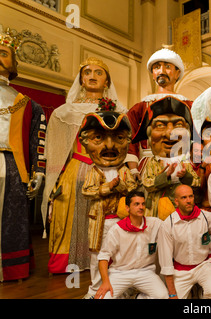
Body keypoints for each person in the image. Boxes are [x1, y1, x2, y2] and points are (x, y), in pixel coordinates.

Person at [43, 57, 128, 275]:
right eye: (87, 71)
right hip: (77, 167)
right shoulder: (65, 111)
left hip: (109, 169)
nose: (92, 76)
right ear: (81, 79)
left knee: (104, 214)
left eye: (99, 72)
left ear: (107, 81)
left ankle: (105, 259)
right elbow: (57, 150)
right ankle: (69, 261)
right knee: (70, 216)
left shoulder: (120, 111)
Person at [0, 29, 46, 281]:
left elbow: (38, 142)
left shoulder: (28, 103)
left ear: (14, 63)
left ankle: (11, 267)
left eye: (5, 53)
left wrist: (38, 172)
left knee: (13, 219)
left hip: (13, 165)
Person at [80, 109, 138, 298]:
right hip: (99, 223)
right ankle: (97, 288)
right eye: (98, 138)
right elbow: (86, 191)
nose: (109, 145)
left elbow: (131, 189)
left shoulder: (123, 170)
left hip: (122, 221)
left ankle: (121, 287)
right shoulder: (93, 171)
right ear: (85, 143)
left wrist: (118, 185)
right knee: (98, 255)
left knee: (122, 254)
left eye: (119, 138)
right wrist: (105, 188)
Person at [158, 185, 211, 299]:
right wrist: (172, 293)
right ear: (176, 202)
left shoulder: (205, 216)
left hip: (203, 265)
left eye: (190, 196)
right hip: (180, 269)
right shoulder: (168, 224)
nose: (188, 201)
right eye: (184, 198)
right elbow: (166, 262)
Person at [126, 48, 191, 181]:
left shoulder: (190, 105)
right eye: (157, 67)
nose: (161, 71)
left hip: (182, 163)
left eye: (167, 67)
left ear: (177, 73)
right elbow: (130, 138)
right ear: (153, 74)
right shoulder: (140, 107)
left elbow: (197, 138)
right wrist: (133, 168)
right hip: (149, 164)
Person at [132, 96, 200, 218]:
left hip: (182, 212)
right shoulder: (153, 163)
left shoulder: (185, 162)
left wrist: (186, 177)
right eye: (160, 125)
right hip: (156, 211)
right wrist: (165, 176)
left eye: (178, 125)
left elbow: (196, 182)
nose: (170, 133)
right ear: (150, 137)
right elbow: (147, 183)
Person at [95, 190, 168, 299]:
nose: (141, 207)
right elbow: (103, 257)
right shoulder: (116, 230)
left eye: (143, 204)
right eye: (136, 204)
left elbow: (171, 227)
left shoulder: (154, 224)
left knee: (162, 296)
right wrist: (105, 282)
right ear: (127, 208)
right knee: (103, 298)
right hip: (120, 273)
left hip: (145, 272)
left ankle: (138, 297)